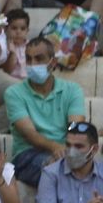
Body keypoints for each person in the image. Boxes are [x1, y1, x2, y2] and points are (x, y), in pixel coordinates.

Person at [7, 37, 86, 189]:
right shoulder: (13, 93)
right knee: (56, 169)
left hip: (66, 152)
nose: (32, 64)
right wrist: (56, 148)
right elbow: (30, 134)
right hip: (27, 155)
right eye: (28, 59)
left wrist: (66, 150)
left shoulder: (72, 90)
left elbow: (76, 128)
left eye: (39, 59)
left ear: (53, 62)